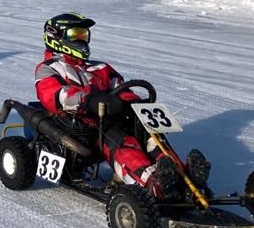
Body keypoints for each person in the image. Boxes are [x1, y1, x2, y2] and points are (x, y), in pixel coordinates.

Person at [34, 13, 210, 198]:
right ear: (57, 37)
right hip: (80, 124)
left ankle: (180, 174)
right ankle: (152, 183)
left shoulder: (100, 67)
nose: (81, 39)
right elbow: (56, 96)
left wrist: (130, 101)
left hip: (108, 115)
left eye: (84, 35)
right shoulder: (48, 68)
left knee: (147, 130)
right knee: (121, 140)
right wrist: (89, 100)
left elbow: (119, 87)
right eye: (76, 34)